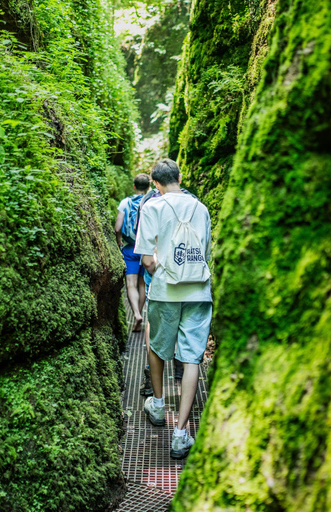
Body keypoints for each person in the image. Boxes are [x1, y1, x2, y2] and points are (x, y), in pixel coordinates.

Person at [134, 158, 212, 459]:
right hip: (198, 290)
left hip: (165, 291)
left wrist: (161, 271)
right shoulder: (201, 208)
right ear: (180, 177)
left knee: (157, 344)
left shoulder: (152, 207)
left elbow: (146, 259)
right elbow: (205, 252)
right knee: (192, 357)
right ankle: (181, 435)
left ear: (155, 183)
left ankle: (157, 404)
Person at [115, 173, 151, 332]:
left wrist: (119, 241)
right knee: (142, 283)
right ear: (149, 186)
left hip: (130, 248)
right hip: (146, 249)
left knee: (131, 284)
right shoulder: (152, 201)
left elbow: (117, 227)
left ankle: (136, 314)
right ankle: (141, 314)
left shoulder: (125, 202)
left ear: (134, 186)